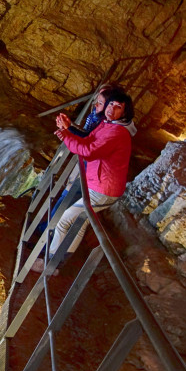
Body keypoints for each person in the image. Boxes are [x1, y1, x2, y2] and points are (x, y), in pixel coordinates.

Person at [32, 88, 135, 274]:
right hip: (98, 184)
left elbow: (88, 151)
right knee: (78, 223)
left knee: (66, 220)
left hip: (104, 190)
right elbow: (88, 139)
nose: (111, 108)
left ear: (125, 112)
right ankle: (57, 262)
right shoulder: (108, 124)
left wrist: (67, 136)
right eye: (110, 104)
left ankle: (50, 262)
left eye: (118, 107)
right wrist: (69, 129)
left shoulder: (117, 133)